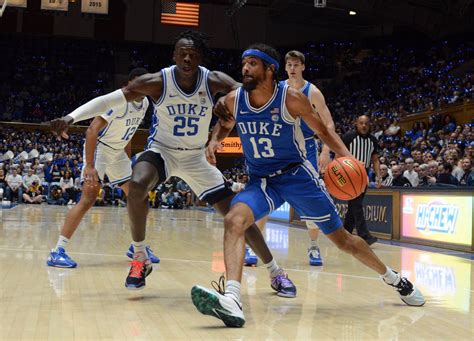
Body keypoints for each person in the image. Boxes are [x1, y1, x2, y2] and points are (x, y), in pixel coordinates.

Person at [191, 44, 424, 328]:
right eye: (243, 64)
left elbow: (324, 132)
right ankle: (232, 299)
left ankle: (395, 279)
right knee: (233, 220)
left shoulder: (291, 99)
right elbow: (225, 124)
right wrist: (214, 140)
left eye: (252, 64)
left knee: (343, 241)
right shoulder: (232, 99)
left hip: (297, 178)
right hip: (261, 180)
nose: (245, 69)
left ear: (269, 69)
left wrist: (349, 160)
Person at [50, 31, 295, 296]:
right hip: (162, 151)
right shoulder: (158, 81)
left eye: (193, 54)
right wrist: (71, 117)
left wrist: (227, 107)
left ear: (200, 57)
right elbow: (109, 99)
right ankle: (140, 257)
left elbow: (243, 92)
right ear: (174, 56)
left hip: (194, 157)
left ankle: (275, 272)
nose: (187, 58)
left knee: (236, 215)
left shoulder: (212, 80)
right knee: (138, 183)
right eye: (182, 53)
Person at [47, 68, 160, 268]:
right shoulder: (118, 102)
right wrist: (90, 166)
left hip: (117, 154)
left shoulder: (144, 104)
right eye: (134, 83)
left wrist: (126, 160)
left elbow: (129, 132)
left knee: (138, 197)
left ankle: (137, 246)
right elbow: (92, 130)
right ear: (128, 84)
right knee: (88, 198)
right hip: (100, 150)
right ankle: (57, 251)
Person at [241, 50, 335, 267]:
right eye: (289, 64)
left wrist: (326, 151)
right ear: (284, 68)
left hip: (308, 148)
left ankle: (313, 246)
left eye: (296, 64)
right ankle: (251, 246)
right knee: (262, 200)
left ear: (303, 67)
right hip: (280, 148)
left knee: (313, 202)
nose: (292, 68)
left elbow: (328, 124)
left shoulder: (313, 92)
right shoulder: (277, 89)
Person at [342, 115, 380, 245]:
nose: (364, 126)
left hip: (364, 176)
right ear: (356, 124)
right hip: (350, 174)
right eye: (361, 123)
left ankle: (345, 232)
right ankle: (364, 235)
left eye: (366, 123)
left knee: (354, 205)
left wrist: (378, 176)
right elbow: (338, 155)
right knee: (357, 205)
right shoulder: (348, 137)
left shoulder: (373, 140)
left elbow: (375, 159)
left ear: (369, 125)